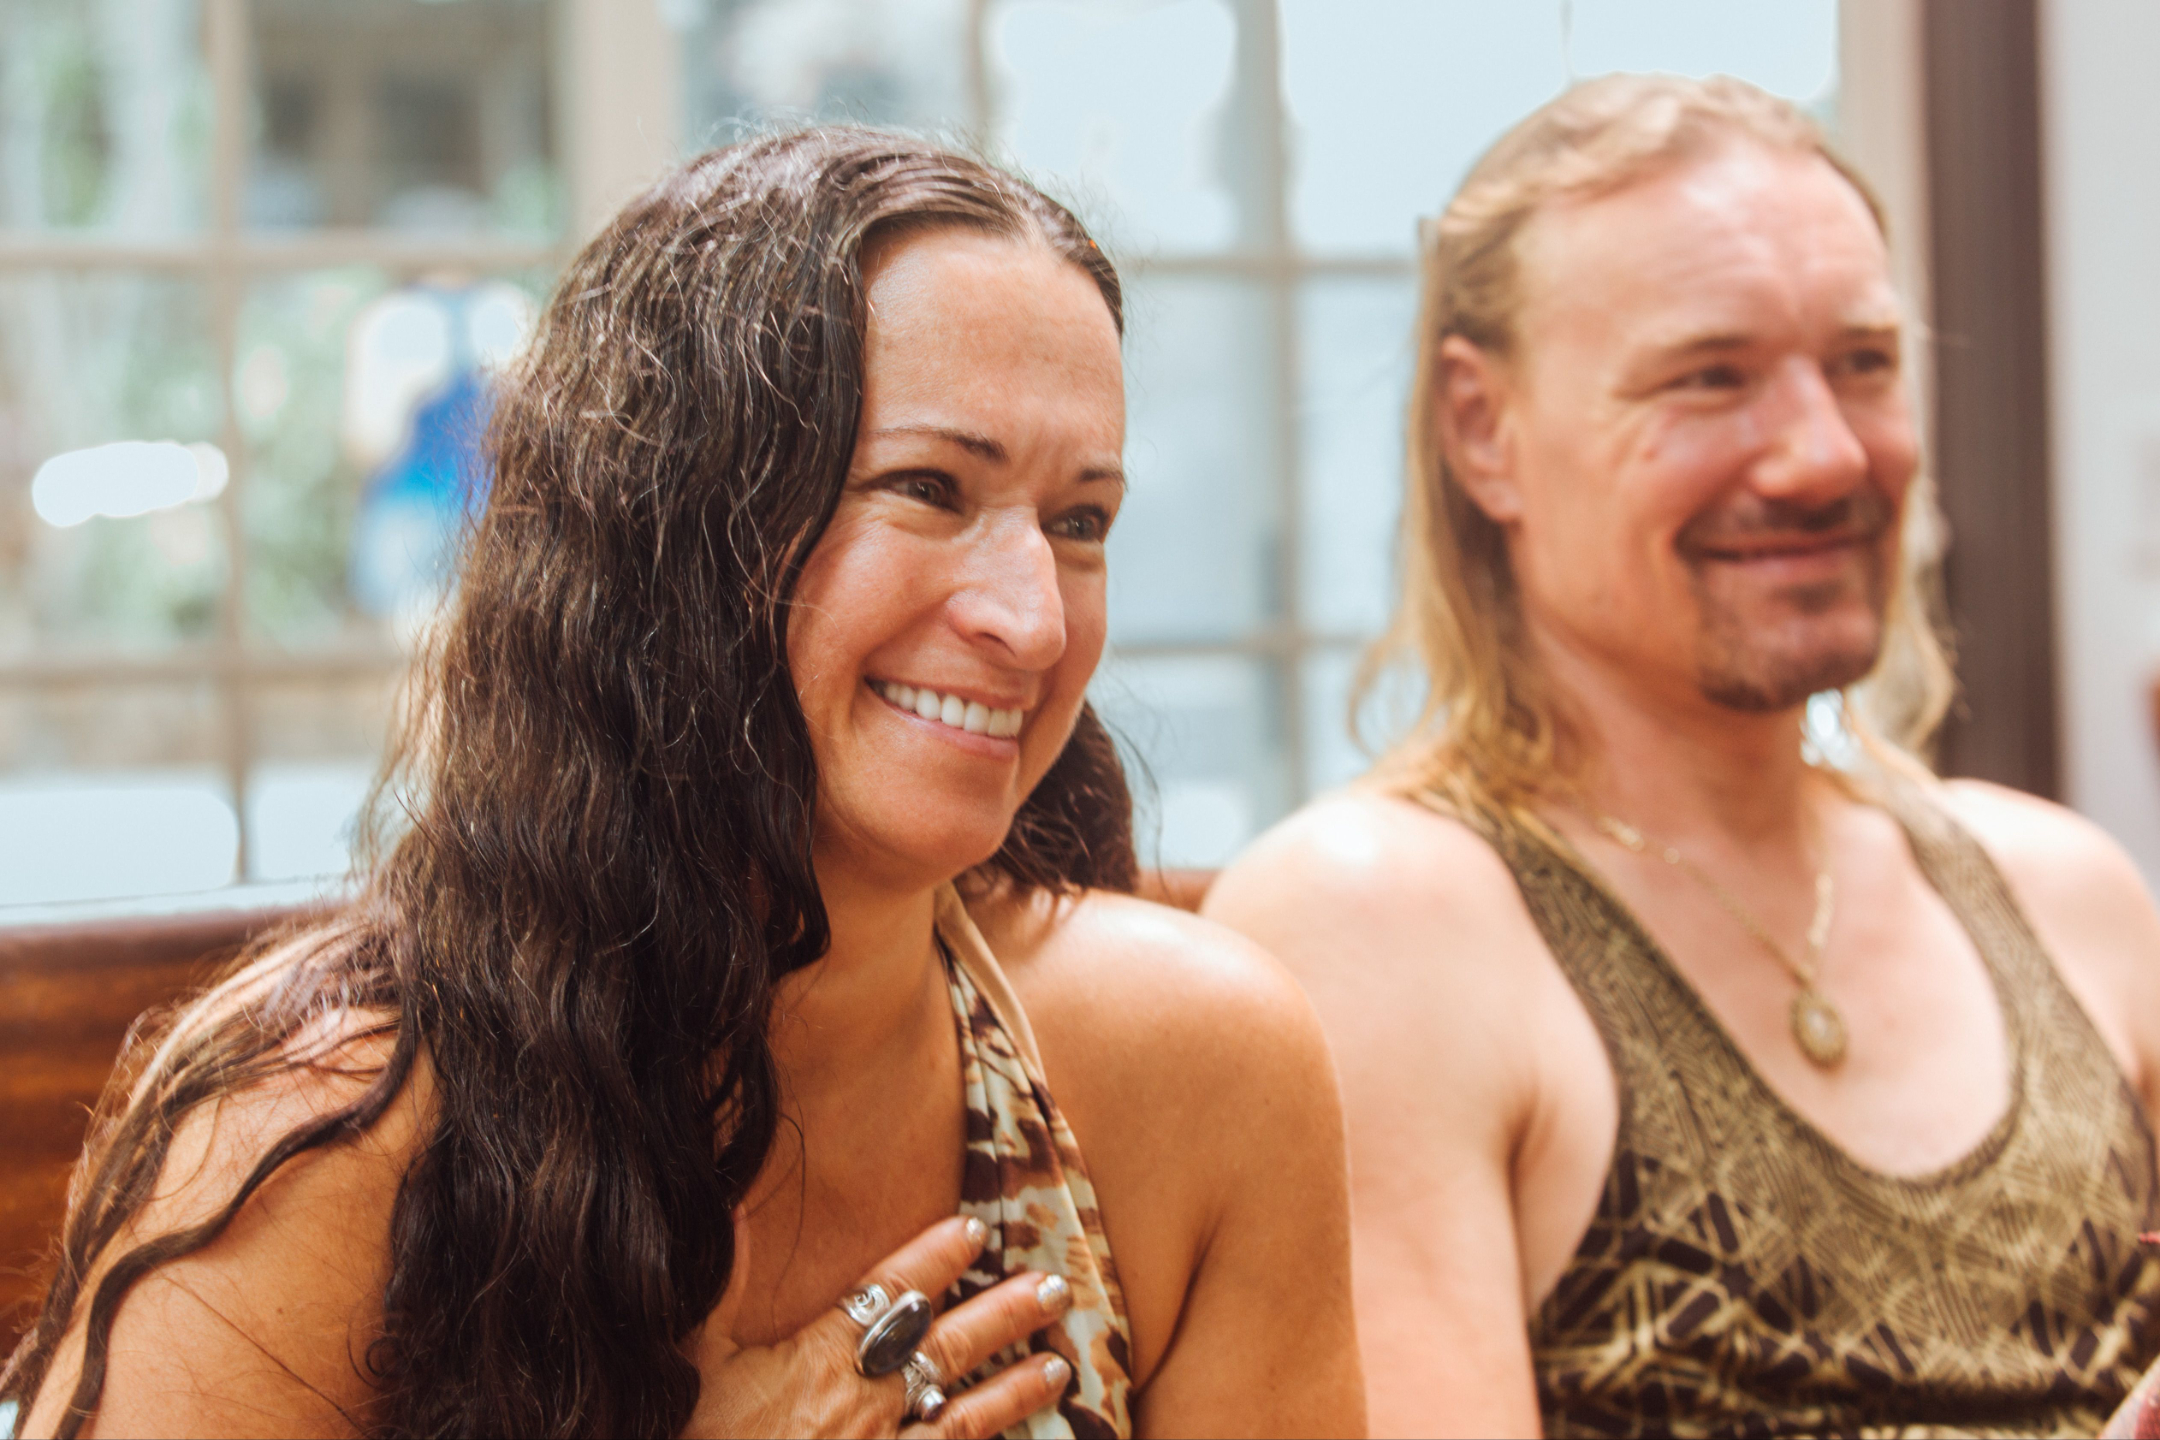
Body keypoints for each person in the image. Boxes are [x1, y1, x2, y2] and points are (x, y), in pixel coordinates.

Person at [2, 129, 1363, 1439]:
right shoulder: (319, 1142)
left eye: (1079, 521)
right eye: (928, 487)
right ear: (673, 533)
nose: (1036, 620)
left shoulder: (1199, 1071)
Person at [1206, 74, 2160, 1438]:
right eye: (1710, 377)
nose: (1825, 455)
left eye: (1864, 363)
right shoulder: (1376, 925)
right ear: (1484, 430)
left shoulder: (2068, 895)